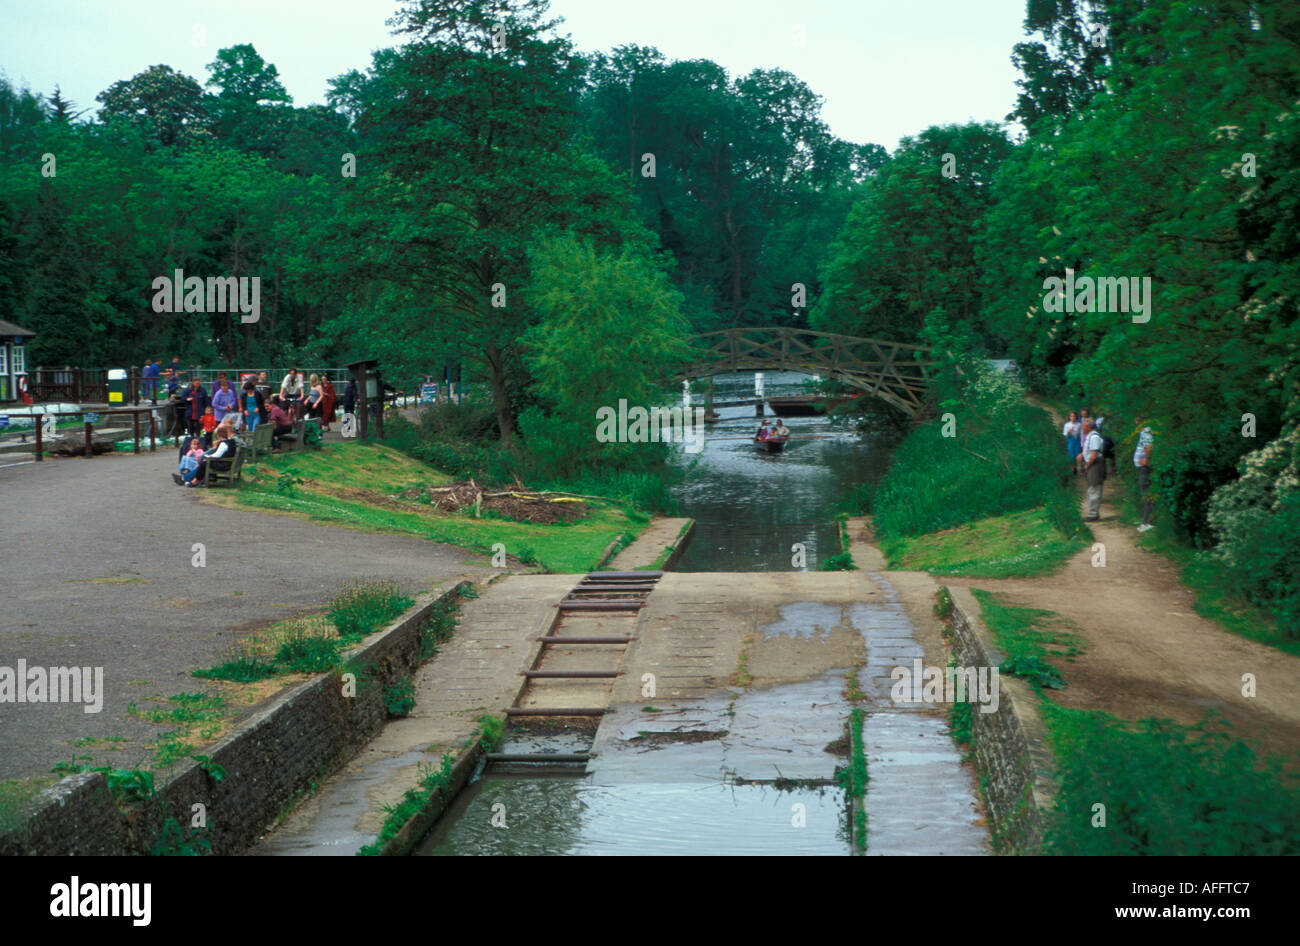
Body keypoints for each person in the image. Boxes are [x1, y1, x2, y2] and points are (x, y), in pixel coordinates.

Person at [190, 421, 240, 486]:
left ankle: (195, 481)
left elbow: (217, 455)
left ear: (218, 435)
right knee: (204, 462)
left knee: (204, 463)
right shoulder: (231, 441)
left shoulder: (223, 444)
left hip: (224, 465)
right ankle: (198, 479)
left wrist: (208, 457)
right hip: (228, 463)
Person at [1081, 418, 1105, 521]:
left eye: (1083, 425)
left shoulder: (1094, 437)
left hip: (1095, 465)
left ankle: (1093, 514)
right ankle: (1092, 513)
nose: (1082, 427)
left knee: (1094, 488)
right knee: (1092, 488)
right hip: (1093, 464)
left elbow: (1094, 455)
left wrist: (1087, 465)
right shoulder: (1091, 436)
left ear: (1088, 427)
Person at [1134, 427, 1155, 531]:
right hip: (1143, 468)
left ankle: (1148, 522)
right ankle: (1147, 521)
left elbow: (1149, 446)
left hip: (1145, 468)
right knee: (1146, 494)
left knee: (1147, 493)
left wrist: (1146, 459)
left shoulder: (1146, 431)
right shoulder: (1145, 431)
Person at [181, 377, 209, 444]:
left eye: (198, 383)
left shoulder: (203, 390)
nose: (197, 384)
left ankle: (199, 442)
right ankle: (191, 442)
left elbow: (206, 401)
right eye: (196, 383)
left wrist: (206, 411)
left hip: (199, 412)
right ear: (193, 383)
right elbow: (183, 399)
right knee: (191, 428)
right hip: (190, 412)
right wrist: (187, 399)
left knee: (199, 429)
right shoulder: (188, 390)